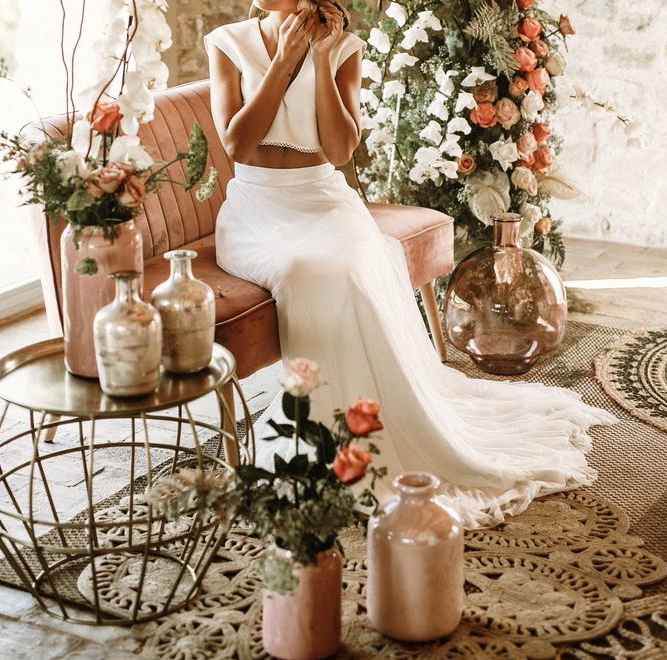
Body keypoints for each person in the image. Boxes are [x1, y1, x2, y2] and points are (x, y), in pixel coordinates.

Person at [203, 0, 616, 528]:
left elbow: (339, 150)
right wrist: (284, 62)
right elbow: (237, 142)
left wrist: (320, 59)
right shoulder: (227, 43)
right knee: (302, 271)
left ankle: (368, 430)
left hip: (325, 200)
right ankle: (318, 436)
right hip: (259, 210)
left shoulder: (343, 49)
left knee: (357, 262)